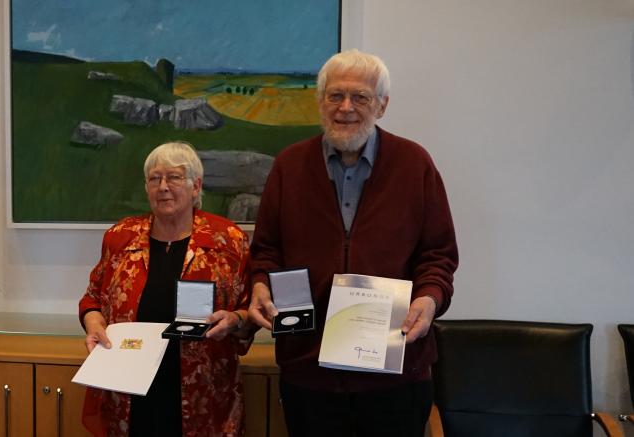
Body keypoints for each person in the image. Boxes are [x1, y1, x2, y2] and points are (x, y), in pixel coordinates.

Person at [246, 49, 458, 437]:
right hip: (309, 373)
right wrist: (260, 283)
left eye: (360, 97)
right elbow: (266, 250)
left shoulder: (415, 164)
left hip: (395, 374)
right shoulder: (289, 166)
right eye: (335, 96)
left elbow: (438, 254)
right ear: (320, 101)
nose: (346, 108)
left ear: (382, 105)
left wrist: (428, 299)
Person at [78, 141, 251, 437]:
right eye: (154, 178)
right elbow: (93, 297)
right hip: (129, 389)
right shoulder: (120, 237)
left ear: (196, 187)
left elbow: (248, 309)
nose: (163, 187)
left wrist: (235, 320)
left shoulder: (227, 240)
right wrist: (93, 322)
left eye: (174, 177)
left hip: (202, 393)